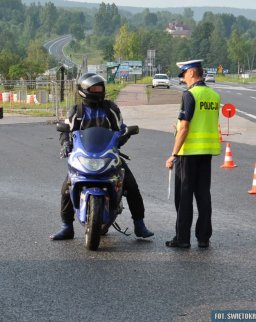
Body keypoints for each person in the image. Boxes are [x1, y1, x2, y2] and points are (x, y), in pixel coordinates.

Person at [50, 73, 154, 240]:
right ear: (83, 90)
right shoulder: (76, 112)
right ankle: (66, 226)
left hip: (108, 155)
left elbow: (121, 128)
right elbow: (66, 131)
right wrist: (65, 144)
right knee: (67, 188)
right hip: (82, 157)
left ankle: (139, 224)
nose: (98, 91)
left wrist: (121, 139)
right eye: (94, 88)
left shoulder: (111, 109)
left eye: (100, 88)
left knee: (132, 187)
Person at [165, 60, 221, 249]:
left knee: (184, 196)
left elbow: (186, 127)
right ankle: (204, 238)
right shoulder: (213, 95)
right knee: (203, 194)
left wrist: (173, 154)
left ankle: (182, 238)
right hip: (207, 152)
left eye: (183, 75)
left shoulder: (190, 95)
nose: (183, 79)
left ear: (191, 73)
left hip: (188, 153)